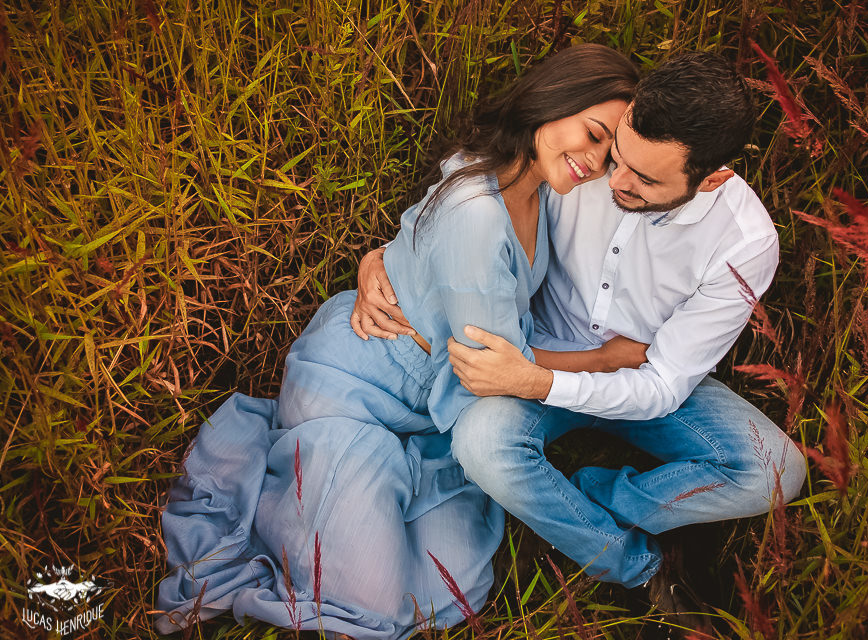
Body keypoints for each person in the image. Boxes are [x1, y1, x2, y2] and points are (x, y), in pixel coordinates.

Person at [154, 44, 640, 639]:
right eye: (593, 134)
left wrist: (378, 258)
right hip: (355, 389)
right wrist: (605, 360)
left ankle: (337, 512)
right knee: (374, 602)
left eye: (608, 152)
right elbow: (496, 365)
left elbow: (423, 250)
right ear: (553, 102)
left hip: (427, 407)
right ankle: (303, 502)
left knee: (452, 581)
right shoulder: (481, 211)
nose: (594, 160)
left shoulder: (529, 185)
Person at [352, 51, 807, 591]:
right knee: (482, 445)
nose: (615, 179)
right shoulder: (586, 155)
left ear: (711, 179)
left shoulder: (744, 244)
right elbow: (479, 198)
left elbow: (663, 385)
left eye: (645, 180)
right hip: (536, 345)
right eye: (619, 155)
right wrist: (387, 255)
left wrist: (542, 381)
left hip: (638, 374)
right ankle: (637, 567)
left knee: (776, 471)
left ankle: (585, 504)